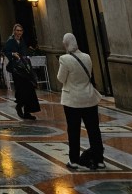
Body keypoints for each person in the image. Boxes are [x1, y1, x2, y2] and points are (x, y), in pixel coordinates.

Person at [57, 33, 105, 171]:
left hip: (73, 100)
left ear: (66, 44)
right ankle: (99, 160)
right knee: (94, 130)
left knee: (73, 130)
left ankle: (74, 160)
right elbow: (89, 75)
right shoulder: (87, 56)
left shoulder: (64, 59)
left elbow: (61, 78)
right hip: (89, 98)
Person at [3, 23, 40, 120]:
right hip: (17, 69)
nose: (19, 32)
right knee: (21, 89)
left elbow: (25, 52)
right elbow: (5, 51)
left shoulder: (23, 41)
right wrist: (12, 54)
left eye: (21, 31)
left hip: (25, 68)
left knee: (29, 89)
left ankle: (27, 112)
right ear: (14, 31)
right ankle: (19, 105)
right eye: (17, 30)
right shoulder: (10, 41)